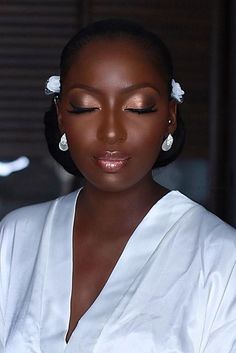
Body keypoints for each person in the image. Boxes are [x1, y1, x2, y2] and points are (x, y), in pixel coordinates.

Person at [0, 19, 236, 353]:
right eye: (86, 107)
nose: (111, 132)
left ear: (170, 115)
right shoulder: (15, 237)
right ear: (61, 116)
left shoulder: (222, 259)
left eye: (138, 108)